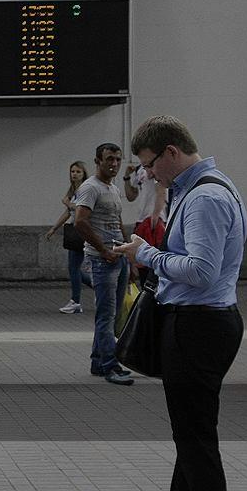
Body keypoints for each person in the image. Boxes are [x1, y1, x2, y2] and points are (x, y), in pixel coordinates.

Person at [114, 116, 247, 491]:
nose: (148, 174)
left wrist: (147, 254)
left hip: (198, 326)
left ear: (171, 152)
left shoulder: (204, 198)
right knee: (191, 436)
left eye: (149, 164)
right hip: (203, 322)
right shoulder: (211, 186)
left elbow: (202, 271)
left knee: (196, 442)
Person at [73, 143, 134, 386]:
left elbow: (117, 221)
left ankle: (98, 361)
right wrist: (103, 250)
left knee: (112, 314)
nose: (114, 164)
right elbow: (80, 221)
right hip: (102, 261)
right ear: (98, 161)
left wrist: (128, 252)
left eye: (117, 159)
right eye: (109, 159)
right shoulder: (90, 188)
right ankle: (110, 364)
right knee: (106, 315)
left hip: (118, 257)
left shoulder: (113, 188)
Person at [46, 161, 93, 313]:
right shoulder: (73, 190)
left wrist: (68, 204)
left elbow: (82, 209)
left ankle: (76, 301)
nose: (75, 174)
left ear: (83, 174)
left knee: (74, 268)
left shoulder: (86, 189)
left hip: (81, 231)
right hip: (74, 230)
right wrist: (54, 228)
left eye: (78, 172)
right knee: (75, 269)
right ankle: (100, 286)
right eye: (73, 171)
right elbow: (68, 213)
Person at [123, 161, 167, 285]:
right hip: (141, 220)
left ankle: (157, 291)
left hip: (154, 220)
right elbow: (131, 196)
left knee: (154, 263)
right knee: (142, 263)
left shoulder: (155, 165)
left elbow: (161, 191)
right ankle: (145, 289)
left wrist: (155, 216)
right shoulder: (139, 169)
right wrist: (126, 177)